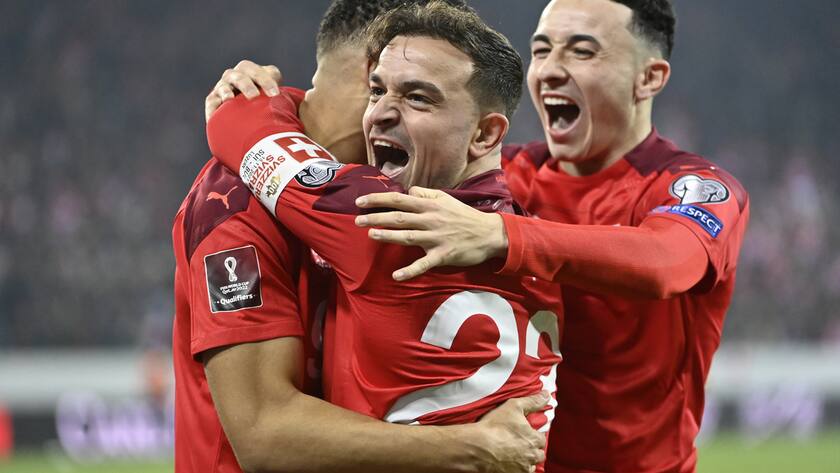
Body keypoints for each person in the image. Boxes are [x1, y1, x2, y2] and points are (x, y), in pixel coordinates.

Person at [206, 0, 750, 471]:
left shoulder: (696, 187)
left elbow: (665, 261)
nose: (552, 70)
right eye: (541, 50)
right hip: (505, 456)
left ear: (649, 77)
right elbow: (362, 154)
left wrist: (501, 235)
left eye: (582, 52)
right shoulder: (495, 177)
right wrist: (278, 92)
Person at [173, 1, 548, 472]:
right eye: (380, 89)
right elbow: (265, 433)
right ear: (370, 72)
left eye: (418, 97)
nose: (386, 113)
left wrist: (249, 114)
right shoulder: (232, 204)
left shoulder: (400, 203)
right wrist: (469, 447)